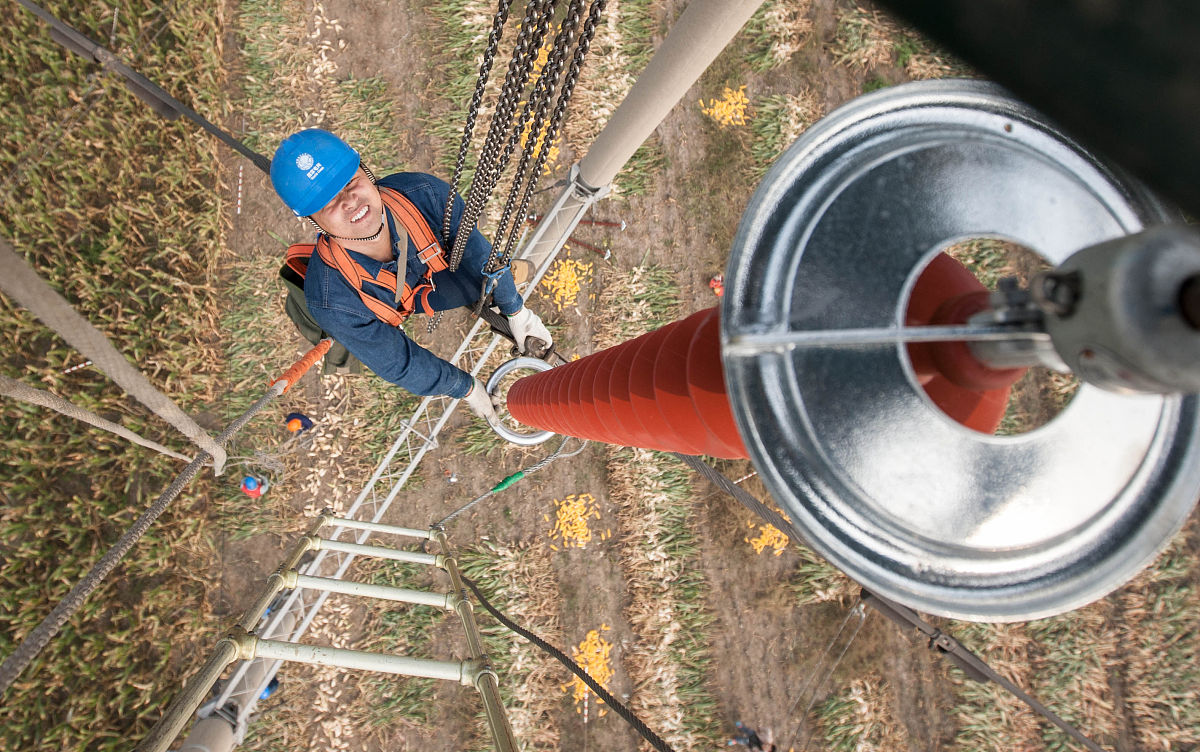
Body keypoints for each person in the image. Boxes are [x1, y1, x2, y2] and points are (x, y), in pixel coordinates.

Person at [269, 128, 552, 426]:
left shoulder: (423, 194)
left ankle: (503, 281)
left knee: (480, 281)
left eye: (350, 182)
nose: (349, 201)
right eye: (328, 204)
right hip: (388, 305)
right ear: (314, 222)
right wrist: (466, 388)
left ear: (366, 171)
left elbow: (476, 251)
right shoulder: (332, 300)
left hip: (435, 272)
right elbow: (398, 361)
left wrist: (514, 308)